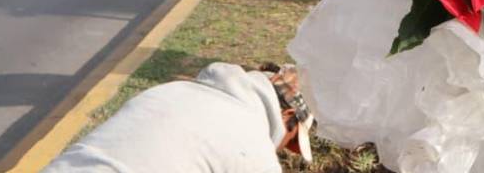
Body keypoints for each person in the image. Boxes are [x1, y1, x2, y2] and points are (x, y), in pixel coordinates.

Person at [43, 63, 313, 173]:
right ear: (288, 114)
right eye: (291, 141)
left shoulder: (171, 91)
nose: (283, 149)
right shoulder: (253, 147)